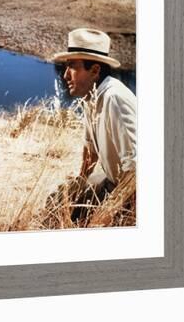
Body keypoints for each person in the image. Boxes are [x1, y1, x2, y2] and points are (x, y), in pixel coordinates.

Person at [50, 28, 136, 221]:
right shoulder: (91, 96)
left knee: (89, 222)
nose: (65, 76)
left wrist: (122, 216)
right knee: (56, 202)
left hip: (133, 193)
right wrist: (78, 186)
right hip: (113, 182)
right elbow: (90, 151)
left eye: (72, 66)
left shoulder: (114, 99)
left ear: (95, 70)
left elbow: (137, 169)